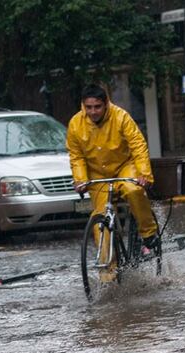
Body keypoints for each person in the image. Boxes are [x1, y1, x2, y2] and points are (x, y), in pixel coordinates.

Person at [67, 84, 159, 257]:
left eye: (97, 107)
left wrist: (144, 174)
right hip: (97, 174)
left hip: (124, 167)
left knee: (133, 190)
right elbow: (76, 155)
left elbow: (138, 145)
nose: (93, 112)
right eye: (89, 107)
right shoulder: (75, 124)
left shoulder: (121, 116)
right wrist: (80, 179)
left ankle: (148, 233)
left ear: (106, 103)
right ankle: (107, 273)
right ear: (83, 105)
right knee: (100, 223)